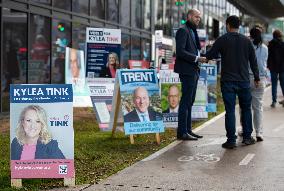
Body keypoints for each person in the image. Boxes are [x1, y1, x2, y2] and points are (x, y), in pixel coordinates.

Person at [206, 15, 260, 149]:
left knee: (229, 110)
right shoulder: (247, 41)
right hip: (243, 81)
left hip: (228, 81)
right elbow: (253, 61)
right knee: (246, 109)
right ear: (239, 26)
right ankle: (247, 138)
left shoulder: (222, 39)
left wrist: (206, 55)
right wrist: (257, 78)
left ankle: (231, 140)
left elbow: (210, 55)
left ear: (228, 25)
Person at [175, 8, 206, 141]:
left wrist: (201, 58)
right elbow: (180, 52)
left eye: (199, 17)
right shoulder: (183, 30)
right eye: (196, 17)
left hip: (194, 70)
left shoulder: (192, 31)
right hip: (187, 70)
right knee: (186, 101)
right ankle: (182, 132)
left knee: (190, 101)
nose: (198, 19)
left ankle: (187, 130)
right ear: (189, 16)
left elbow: (194, 51)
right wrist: (197, 58)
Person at [238, 27, 268, 142]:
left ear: (250, 35)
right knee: (258, 107)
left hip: (246, 78)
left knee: (244, 106)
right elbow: (262, 64)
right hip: (260, 79)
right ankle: (259, 132)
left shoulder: (245, 45)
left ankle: (244, 129)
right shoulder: (265, 48)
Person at [267, 29, 284, 107]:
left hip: (273, 67)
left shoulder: (270, 44)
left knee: (274, 84)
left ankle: (274, 101)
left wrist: (268, 65)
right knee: (283, 84)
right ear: (280, 36)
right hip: (282, 67)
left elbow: (268, 56)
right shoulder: (283, 44)